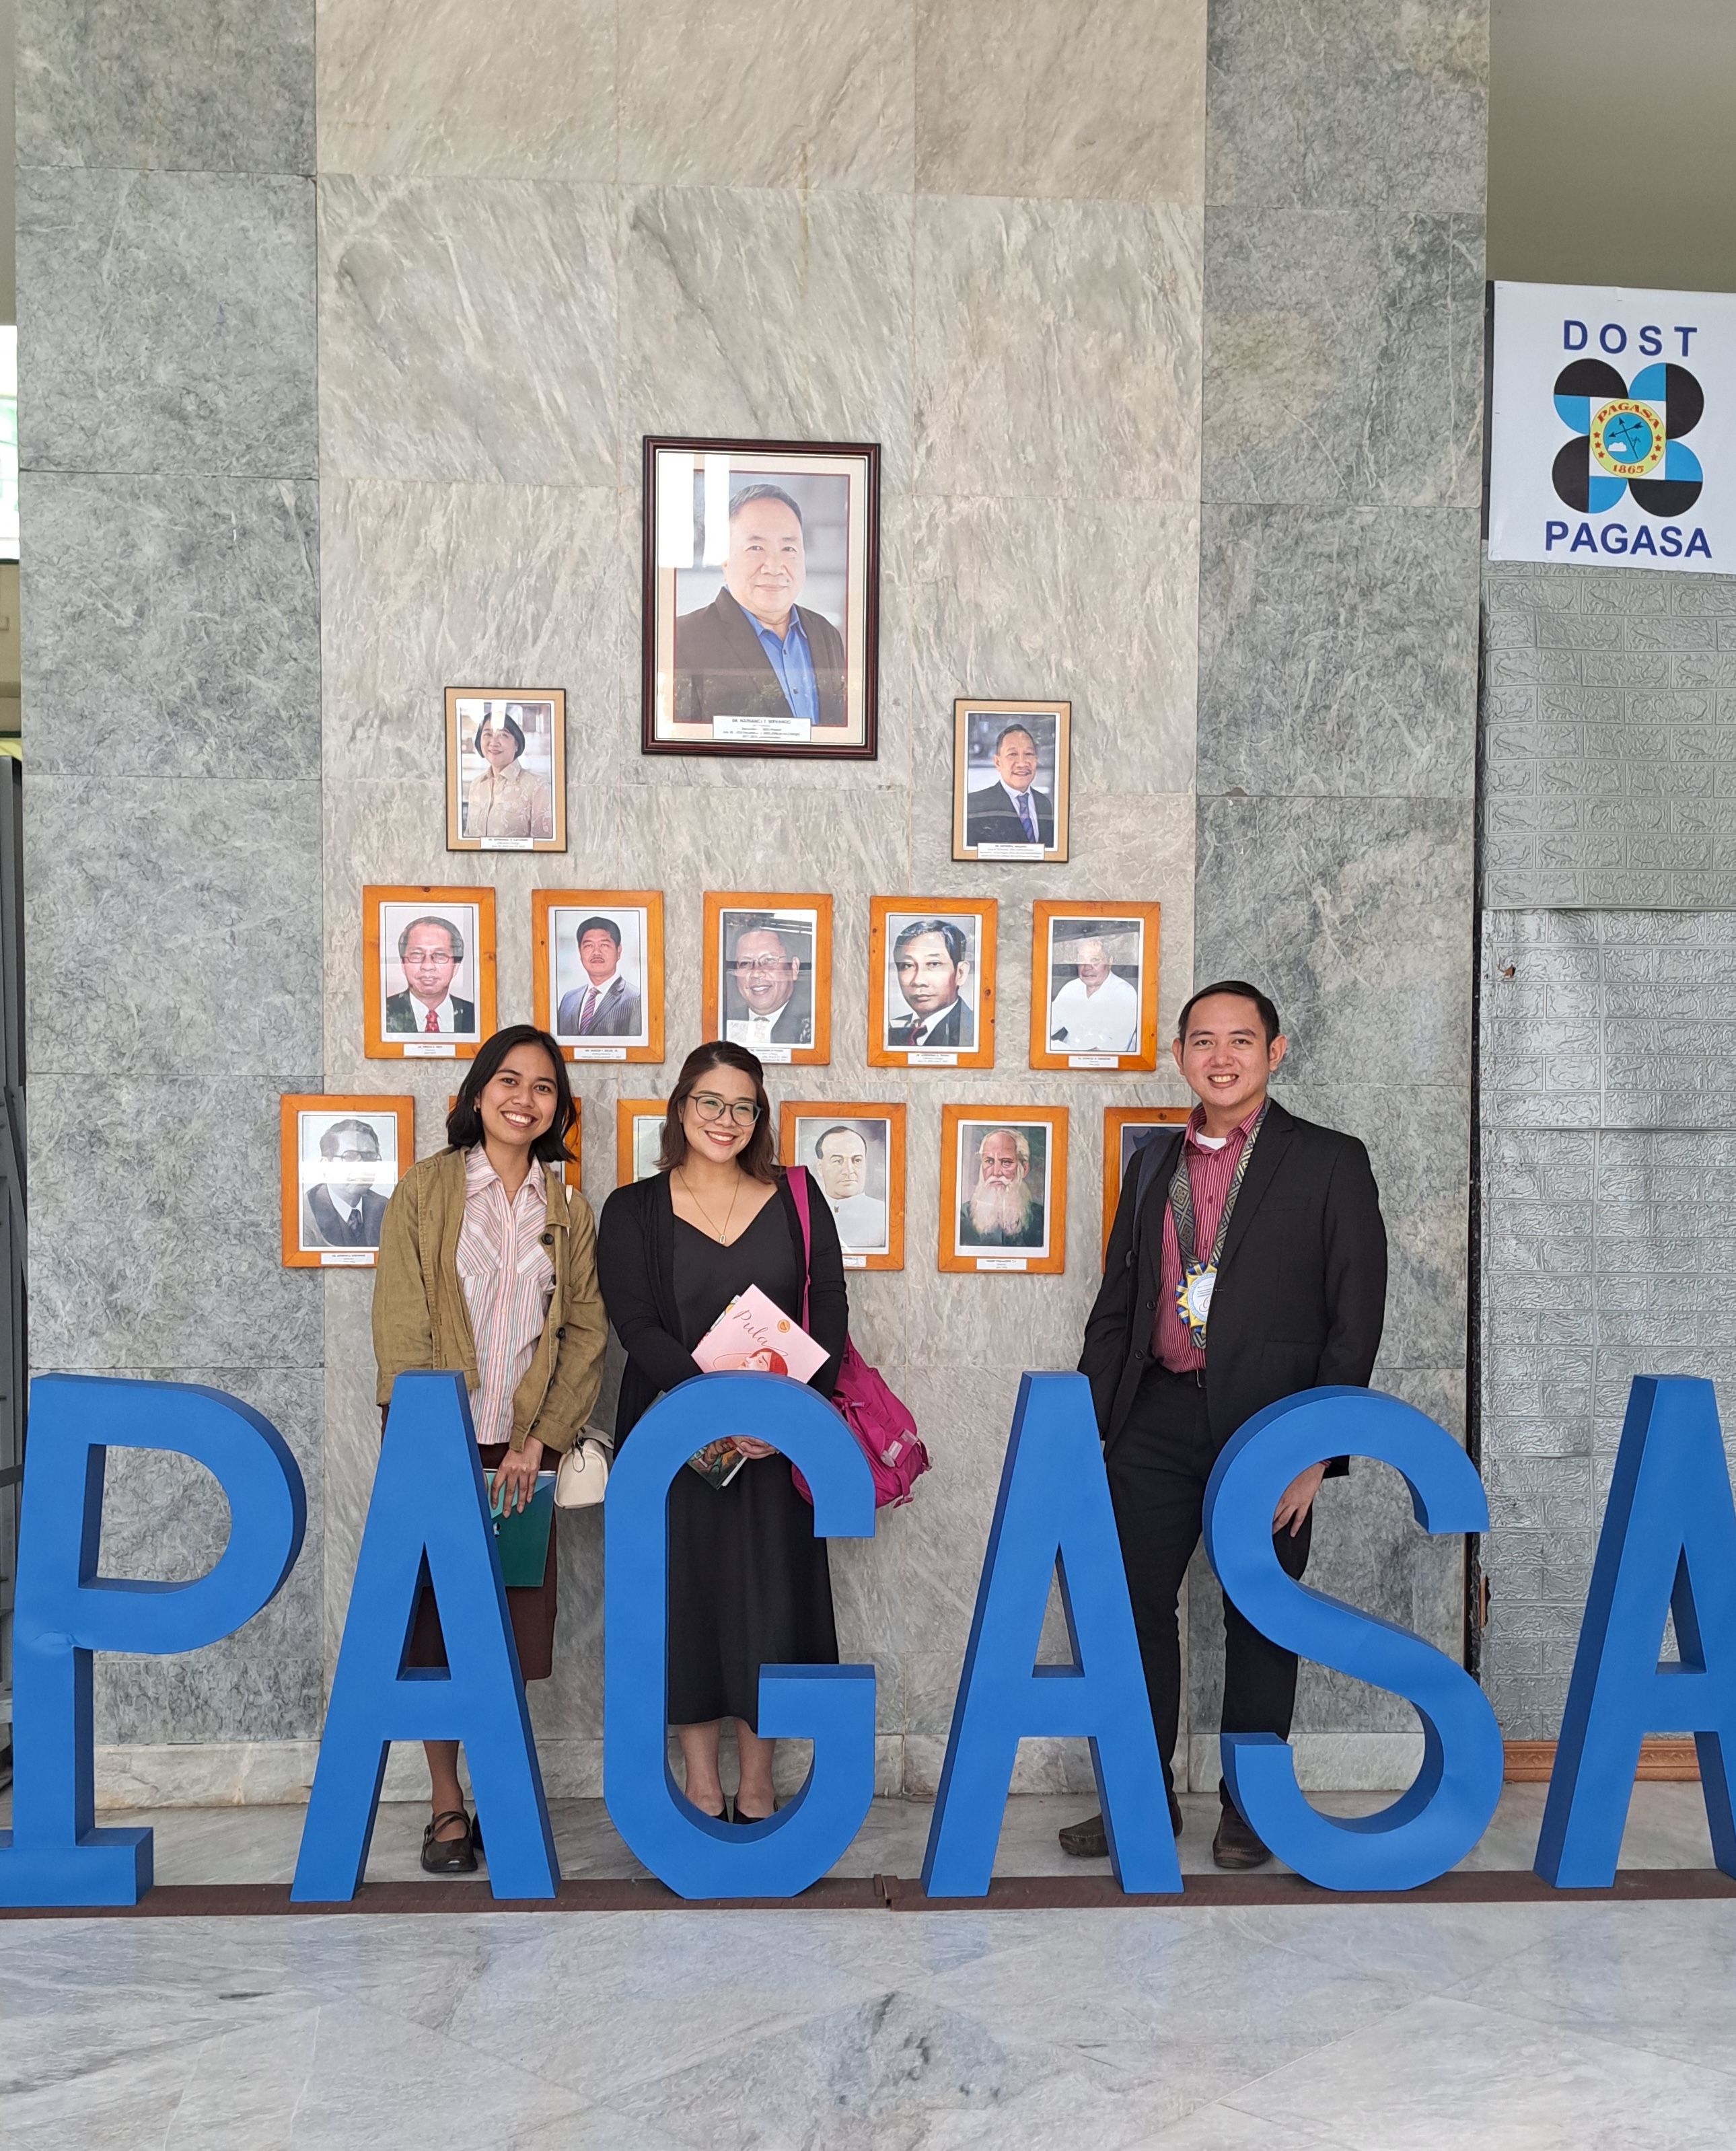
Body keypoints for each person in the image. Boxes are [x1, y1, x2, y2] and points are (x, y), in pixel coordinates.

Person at [1060, 980, 1387, 1871]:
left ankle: (1251, 1806)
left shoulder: (1329, 1161)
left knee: (1262, 1614)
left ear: (1274, 1053)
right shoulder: (1151, 1163)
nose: (1222, 1056)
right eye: (1203, 1040)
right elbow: (1118, 1307)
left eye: (1242, 1039)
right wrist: (1090, 1430)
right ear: (1180, 1054)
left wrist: (1315, 1453)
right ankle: (1142, 1793)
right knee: (1127, 1605)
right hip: (1156, 1413)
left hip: (1270, 1426)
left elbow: (1355, 1319)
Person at [371, 1023, 608, 1874]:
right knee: (436, 1623)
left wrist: (538, 1441)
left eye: (544, 1086)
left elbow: (584, 1330)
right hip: (436, 1440)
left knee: (503, 1623)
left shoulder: (568, 1206)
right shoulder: (428, 1191)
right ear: (477, 1093)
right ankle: (444, 1802)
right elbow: (399, 1319)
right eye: (509, 1080)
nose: (524, 1098)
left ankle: (501, 1788)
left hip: (524, 1446)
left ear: (559, 1108)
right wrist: (426, 1440)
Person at [596, 1041, 847, 1825]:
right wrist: (714, 1412)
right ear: (680, 1108)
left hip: (777, 1445)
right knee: (687, 1596)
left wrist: (784, 1418)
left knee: (770, 1599)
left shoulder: (799, 1197)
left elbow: (830, 1311)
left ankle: (759, 1780)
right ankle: (701, 1780)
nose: (727, 1118)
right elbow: (633, 1322)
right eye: (710, 1101)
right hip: (675, 1437)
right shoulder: (632, 1208)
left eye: (744, 1105)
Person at [673, 484, 847, 730]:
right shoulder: (681, 639)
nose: (774, 566)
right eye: (756, 547)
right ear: (724, 557)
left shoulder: (826, 634)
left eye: (788, 548)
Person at [464, 706, 554, 842]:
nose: (493, 742)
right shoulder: (476, 785)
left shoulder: (537, 787)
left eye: (502, 735)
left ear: (516, 743)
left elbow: (544, 847)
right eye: (488, 734)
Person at [303, 1117, 390, 1250]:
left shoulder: (386, 1207)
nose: (362, 1166)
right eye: (349, 1157)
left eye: (369, 1157)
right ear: (326, 1166)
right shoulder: (304, 1212)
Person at [964, 722, 1054, 849]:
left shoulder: (1044, 803)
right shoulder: (975, 805)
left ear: (1036, 760)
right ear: (998, 762)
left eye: (1029, 754)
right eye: (1012, 754)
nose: (1022, 763)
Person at [384, 915, 477, 1036]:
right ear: (403, 963)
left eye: (440, 955)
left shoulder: (475, 1015)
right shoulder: (383, 1012)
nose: (427, 966)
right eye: (417, 954)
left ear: (456, 966)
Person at [888, 918, 974, 1050]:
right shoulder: (891, 1030)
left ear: (960, 973)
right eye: (907, 965)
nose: (918, 981)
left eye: (934, 964)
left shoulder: (974, 1030)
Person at [725, 922, 811, 1047]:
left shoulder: (812, 1026)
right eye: (745, 963)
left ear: (794, 969)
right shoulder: (724, 1023)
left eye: (769, 960)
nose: (756, 973)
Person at [958, 1127, 1044, 1250]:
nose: (996, 1172)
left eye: (1006, 1162)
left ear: (1024, 1169)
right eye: (989, 1161)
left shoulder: (1042, 1219)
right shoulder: (963, 1216)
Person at [556, 915, 641, 1038]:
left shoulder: (635, 999)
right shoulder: (568, 1000)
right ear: (580, 952)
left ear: (619, 951)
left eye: (604, 945)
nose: (596, 952)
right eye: (589, 946)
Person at [1048, 937, 1139, 1054]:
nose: (1087, 968)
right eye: (1081, 960)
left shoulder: (1124, 993)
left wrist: (1058, 1049)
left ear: (1110, 962)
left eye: (1095, 960)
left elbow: (1108, 1053)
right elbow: (1044, 1029)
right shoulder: (1071, 988)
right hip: (1068, 1063)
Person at [811, 1124, 886, 1252]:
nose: (848, 1170)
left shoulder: (884, 1215)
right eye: (838, 1161)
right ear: (820, 1167)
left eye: (856, 1160)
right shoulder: (808, 1212)